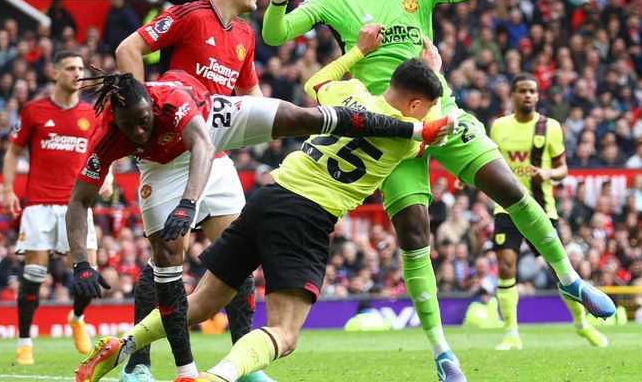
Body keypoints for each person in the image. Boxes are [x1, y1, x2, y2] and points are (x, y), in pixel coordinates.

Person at [262, 0, 615, 378]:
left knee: (509, 188)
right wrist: (275, 4)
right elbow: (276, 34)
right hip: (390, 132)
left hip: (443, 114)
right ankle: (443, 352)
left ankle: (570, 280)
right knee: (414, 237)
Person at [69, 27, 454, 382]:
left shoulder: (348, 94)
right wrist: (434, 72)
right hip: (307, 216)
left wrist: (357, 51)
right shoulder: (406, 139)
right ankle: (217, 377)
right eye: (426, 102)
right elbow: (436, 132)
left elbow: (316, 81)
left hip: (269, 196)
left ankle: (123, 344)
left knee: (201, 302)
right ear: (419, 103)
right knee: (284, 334)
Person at [114, 0, 268, 382]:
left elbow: (251, 96)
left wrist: (277, 131)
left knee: (240, 256)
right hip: (167, 156)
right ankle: (138, 363)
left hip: (213, 157)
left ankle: (244, 364)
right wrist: (140, 115)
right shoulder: (189, 15)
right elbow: (129, 49)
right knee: (166, 263)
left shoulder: (244, 35)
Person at [1, 51, 111, 365]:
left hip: (78, 203)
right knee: (34, 274)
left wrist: (109, 176)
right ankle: (24, 343)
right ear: (54, 72)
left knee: (89, 276)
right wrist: (9, 190)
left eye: (80, 67)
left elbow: (104, 148)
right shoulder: (34, 111)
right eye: (70, 68)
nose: (78, 73)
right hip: (38, 203)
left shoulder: (92, 113)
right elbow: (12, 152)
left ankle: (77, 318)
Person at [489, 74, 608, 350]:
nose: (528, 95)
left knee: (560, 272)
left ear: (538, 96)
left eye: (532, 91)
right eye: (522, 91)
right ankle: (511, 334)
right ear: (514, 95)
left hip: (542, 208)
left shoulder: (550, 127)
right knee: (506, 267)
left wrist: (547, 173)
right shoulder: (499, 127)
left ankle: (582, 325)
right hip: (505, 207)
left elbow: (563, 168)